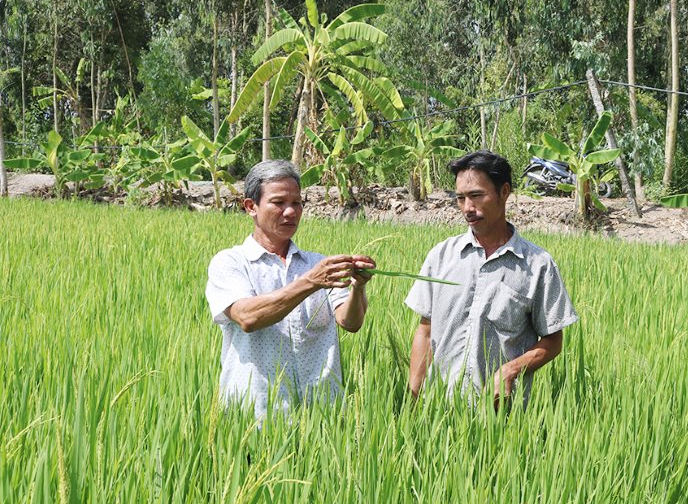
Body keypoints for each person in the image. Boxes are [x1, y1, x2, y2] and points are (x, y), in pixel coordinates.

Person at [205, 160, 376, 418]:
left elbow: (350, 322)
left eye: (297, 203)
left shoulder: (318, 263)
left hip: (321, 415)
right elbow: (247, 317)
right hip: (257, 414)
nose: (290, 212)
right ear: (251, 207)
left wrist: (358, 288)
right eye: (279, 203)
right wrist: (310, 282)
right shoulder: (231, 262)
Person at [406, 150, 578, 405]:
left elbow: (553, 341)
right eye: (460, 198)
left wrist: (511, 370)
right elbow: (425, 329)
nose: (467, 208)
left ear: (504, 191)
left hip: (500, 414)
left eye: (476, 195)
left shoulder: (537, 265)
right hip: (439, 408)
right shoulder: (441, 256)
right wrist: (414, 397)